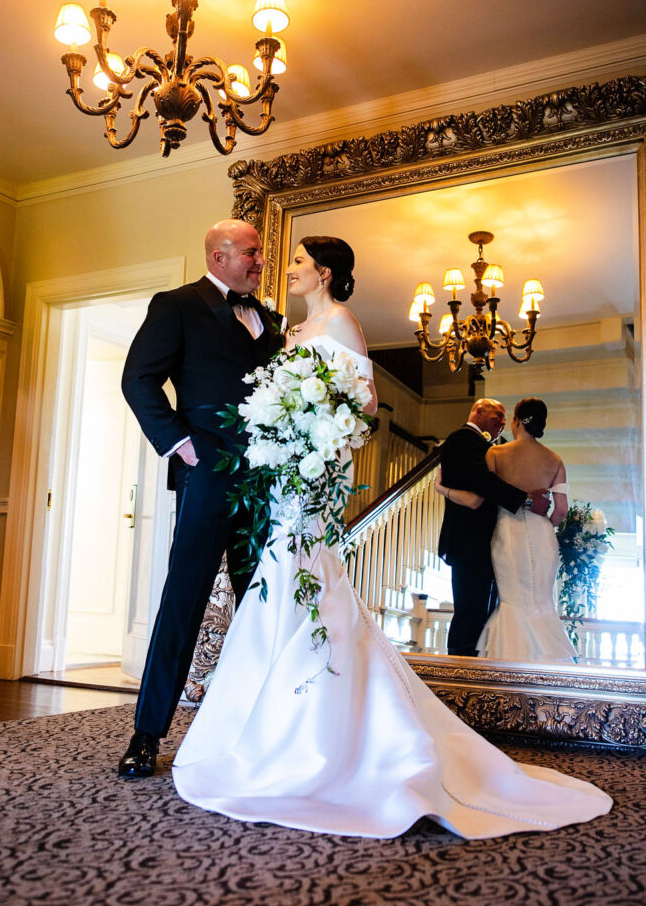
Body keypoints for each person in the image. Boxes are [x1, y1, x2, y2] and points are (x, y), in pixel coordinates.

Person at [171, 237, 611, 839]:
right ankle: (260, 733)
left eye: (298, 262)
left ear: (323, 272)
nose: (288, 269)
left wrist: (317, 437)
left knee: (311, 587)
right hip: (282, 477)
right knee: (279, 582)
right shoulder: (288, 332)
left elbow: (366, 405)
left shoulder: (341, 321)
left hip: (313, 474)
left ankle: (324, 740)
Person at [118, 218, 284, 779]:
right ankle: (147, 734)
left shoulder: (275, 322)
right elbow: (138, 379)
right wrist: (179, 444)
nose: (262, 261)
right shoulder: (177, 305)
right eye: (253, 252)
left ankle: (264, 730)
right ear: (219, 256)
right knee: (182, 601)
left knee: (262, 604)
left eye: (260, 252)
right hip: (205, 475)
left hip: (263, 483)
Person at [436, 397, 577, 663]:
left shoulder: (496, 453)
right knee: (536, 601)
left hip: (506, 534)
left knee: (507, 603)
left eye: (505, 417)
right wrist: (546, 525)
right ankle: (541, 662)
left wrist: (443, 489)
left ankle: (497, 665)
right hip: (539, 535)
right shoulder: (555, 460)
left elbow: (481, 493)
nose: (502, 422)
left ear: (516, 421)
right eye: (496, 415)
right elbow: (560, 511)